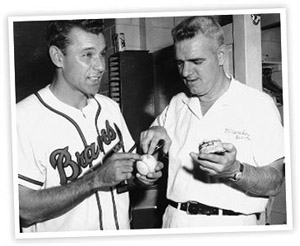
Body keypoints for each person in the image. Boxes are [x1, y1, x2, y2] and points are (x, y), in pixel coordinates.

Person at [16, 19, 162, 232]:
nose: (100, 66)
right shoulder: (23, 118)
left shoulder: (109, 107)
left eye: (102, 54)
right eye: (87, 55)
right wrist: (95, 179)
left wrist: (142, 178)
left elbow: (123, 178)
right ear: (58, 57)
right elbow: (24, 210)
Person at [140, 16, 285, 227]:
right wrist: (152, 148)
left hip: (232, 226)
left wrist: (235, 170)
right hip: (176, 221)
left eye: (197, 62)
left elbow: (274, 183)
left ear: (220, 55)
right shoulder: (177, 104)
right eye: (180, 63)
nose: (186, 73)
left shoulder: (257, 104)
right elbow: (152, 150)